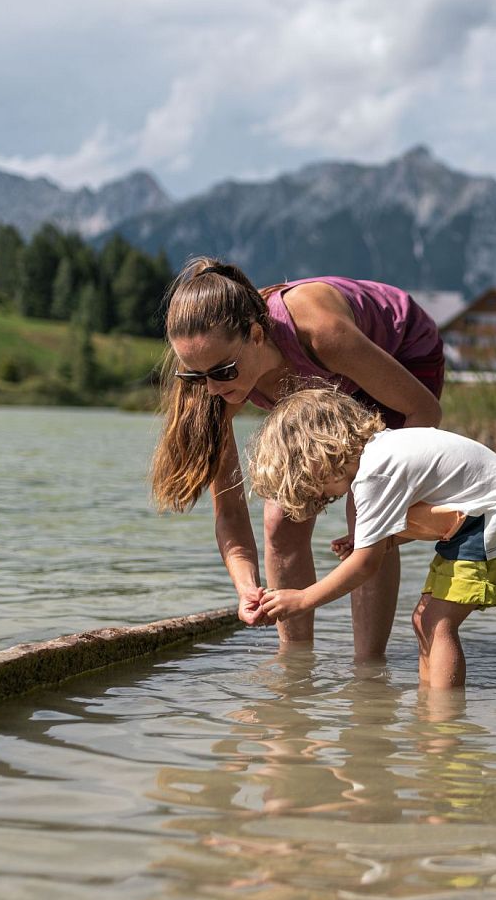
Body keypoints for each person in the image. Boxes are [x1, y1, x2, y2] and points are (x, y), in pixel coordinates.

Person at [149, 258, 446, 655]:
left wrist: (386, 511)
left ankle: (368, 671)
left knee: (367, 514)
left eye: (222, 372)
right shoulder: (211, 383)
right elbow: (232, 514)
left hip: (402, 352)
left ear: (256, 335)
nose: (211, 389)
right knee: (280, 519)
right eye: (194, 376)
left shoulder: (321, 332)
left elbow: (424, 411)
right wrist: (246, 587)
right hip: (314, 388)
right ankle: (295, 665)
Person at [245, 387, 496, 689]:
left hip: (493, 520)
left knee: (436, 623)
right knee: (424, 622)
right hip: (487, 517)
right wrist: (382, 539)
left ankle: (444, 724)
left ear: (316, 458)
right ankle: (428, 710)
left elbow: (365, 566)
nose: (319, 497)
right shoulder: (383, 451)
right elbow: (437, 509)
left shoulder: (373, 474)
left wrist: (302, 599)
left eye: (312, 488)